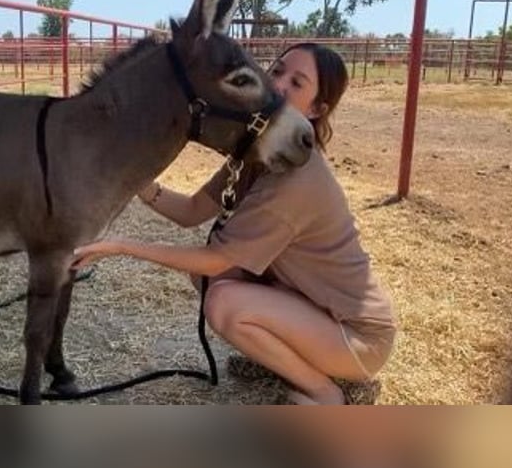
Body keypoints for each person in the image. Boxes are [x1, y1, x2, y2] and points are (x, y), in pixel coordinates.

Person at [72, 42, 396, 405]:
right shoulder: (258, 149)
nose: (278, 85)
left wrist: (120, 246)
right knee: (211, 282)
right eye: (276, 72)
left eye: (297, 83)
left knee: (224, 303)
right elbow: (194, 209)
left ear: (317, 109)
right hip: (314, 307)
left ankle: (325, 392)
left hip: (357, 337)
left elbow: (216, 258)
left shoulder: (297, 178)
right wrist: (136, 181)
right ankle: (287, 360)